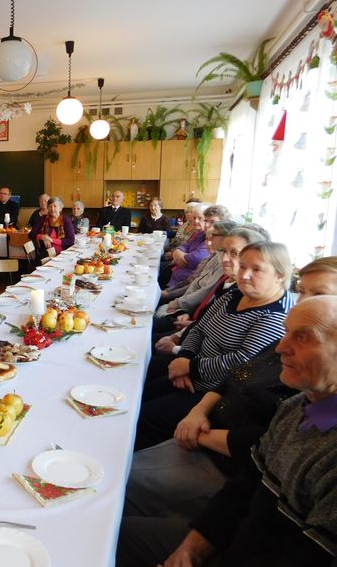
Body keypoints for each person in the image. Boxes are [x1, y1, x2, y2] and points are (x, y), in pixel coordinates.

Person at [118, 296, 337, 567]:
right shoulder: (297, 406)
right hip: (234, 538)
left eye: (303, 338)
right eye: (286, 332)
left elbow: (310, 555)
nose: (281, 347)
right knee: (114, 525)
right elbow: (244, 488)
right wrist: (191, 550)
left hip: (244, 552)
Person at [136, 241, 294, 450]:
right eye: (243, 266)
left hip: (215, 394)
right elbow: (199, 327)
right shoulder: (236, 293)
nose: (245, 275)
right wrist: (184, 357)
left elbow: (242, 362)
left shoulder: (276, 316)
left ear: (280, 275)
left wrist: (190, 367)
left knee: (145, 416)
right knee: (141, 391)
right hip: (191, 371)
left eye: (257, 269)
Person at [154, 226, 269, 353]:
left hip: (196, 353)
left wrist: (178, 351)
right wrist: (183, 332)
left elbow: (235, 355)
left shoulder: (246, 294)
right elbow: (203, 322)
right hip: (191, 333)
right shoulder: (228, 283)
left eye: (234, 253)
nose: (224, 258)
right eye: (223, 251)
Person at [164, 203, 210, 288]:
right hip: (175, 274)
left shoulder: (209, 239)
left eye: (200, 218)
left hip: (184, 283)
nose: (196, 221)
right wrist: (177, 253)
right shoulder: (199, 233)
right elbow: (185, 245)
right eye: (194, 218)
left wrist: (178, 255)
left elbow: (195, 258)